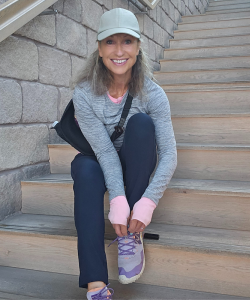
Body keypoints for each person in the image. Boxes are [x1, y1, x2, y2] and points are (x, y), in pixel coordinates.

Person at [70, 8, 177, 300]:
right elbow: (104, 150)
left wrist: (148, 202)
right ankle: (95, 285)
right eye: (110, 42)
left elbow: (169, 153)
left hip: (134, 160)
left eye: (127, 41)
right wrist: (116, 198)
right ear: (100, 49)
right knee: (84, 168)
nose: (119, 51)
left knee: (142, 125)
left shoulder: (153, 94)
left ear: (138, 47)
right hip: (99, 157)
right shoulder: (84, 92)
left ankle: (131, 232)